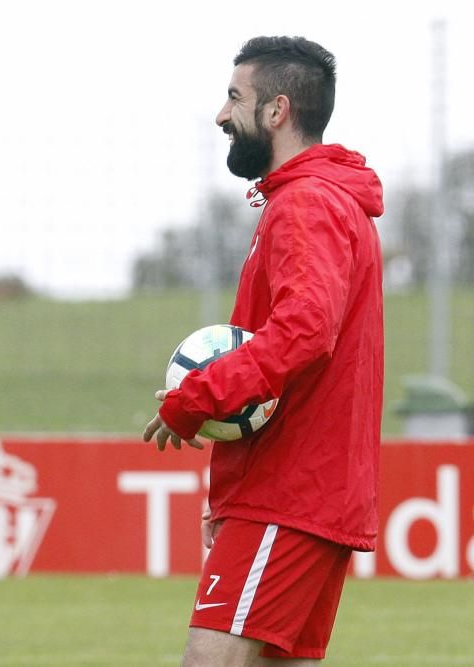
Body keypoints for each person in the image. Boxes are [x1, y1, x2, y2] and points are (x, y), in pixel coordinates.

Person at [142, 36, 383, 665]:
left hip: (290, 491)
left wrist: (197, 397)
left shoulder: (306, 204)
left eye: (233, 98)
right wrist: (231, 495)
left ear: (277, 111)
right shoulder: (318, 200)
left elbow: (305, 331)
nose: (221, 116)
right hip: (289, 491)